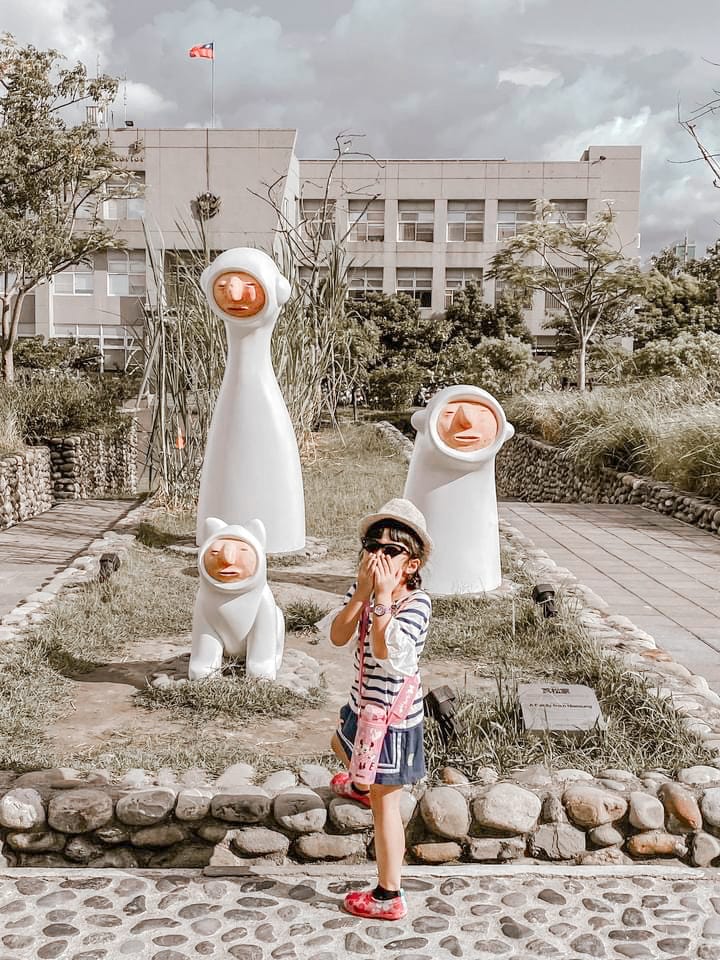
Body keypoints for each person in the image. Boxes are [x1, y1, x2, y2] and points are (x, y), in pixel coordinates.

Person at [317, 498, 432, 921]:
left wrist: (381, 599)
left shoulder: (416, 605)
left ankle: (389, 894)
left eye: (391, 550)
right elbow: (337, 635)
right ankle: (361, 785)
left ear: (411, 564)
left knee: (387, 805)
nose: (378, 555)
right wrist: (363, 593)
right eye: (372, 545)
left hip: (391, 722)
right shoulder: (364, 589)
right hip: (361, 705)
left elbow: (386, 652)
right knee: (337, 740)